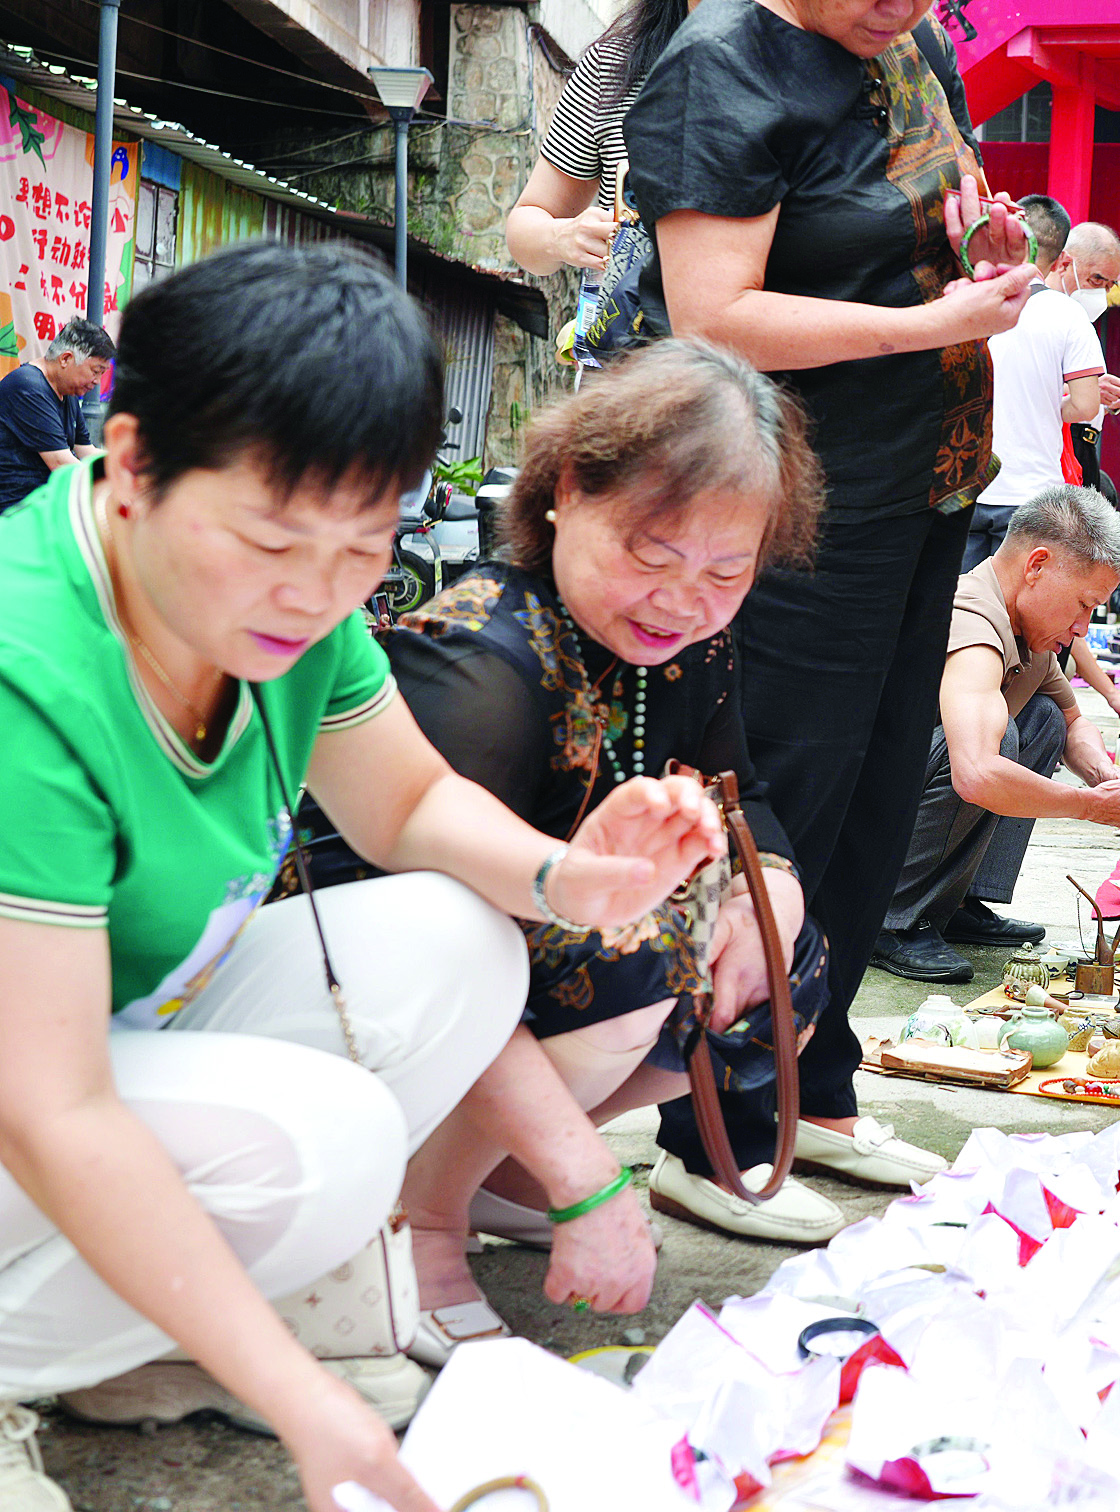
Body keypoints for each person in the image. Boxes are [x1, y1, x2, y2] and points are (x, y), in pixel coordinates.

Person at [0, 243, 725, 1512]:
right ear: (127, 465)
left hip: (108, 1028)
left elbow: (407, 803)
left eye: (360, 548)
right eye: (271, 540)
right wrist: (296, 1392)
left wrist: (571, 878)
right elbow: (48, 1109)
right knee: (323, 1151)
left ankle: (131, 1338)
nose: (313, 594)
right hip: (36, 1073)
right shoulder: (27, 672)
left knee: (459, 941)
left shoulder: (295, 605)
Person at [285, 341, 841, 1333]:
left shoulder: (694, 641)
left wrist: (778, 899)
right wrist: (590, 1183)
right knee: (636, 961)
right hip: (352, 985)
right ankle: (425, 1211)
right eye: (651, 555)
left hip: (525, 949)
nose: (683, 599)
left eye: (727, 569)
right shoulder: (482, 660)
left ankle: (492, 1169)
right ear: (569, 491)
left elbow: (742, 790)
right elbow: (427, 936)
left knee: (771, 960)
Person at [624, 0, 1035, 1208]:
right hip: (793, 503)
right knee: (787, 797)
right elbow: (714, 314)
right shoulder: (722, 71)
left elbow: (925, 219)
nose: (901, 7)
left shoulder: (915, 46)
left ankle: (822, 1079)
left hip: (926, 481)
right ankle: (718, 1129)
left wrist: (983, 244)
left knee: (870, 797)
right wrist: (927, 325)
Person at [873, 487, 1120, 981]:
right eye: (1083, 604)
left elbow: (1073, 721)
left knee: (1043, 719)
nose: (1083, 627)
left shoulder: (1026, 627)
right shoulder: (972, 618)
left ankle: (960, 901)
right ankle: (892, 919)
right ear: (1037, 565)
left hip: (908, 798)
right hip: (866, 817)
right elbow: (977, 774)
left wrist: (1106, 776)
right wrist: (1089, 806)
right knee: (997, 741)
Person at [962, 215, 1120, 569]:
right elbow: (1085, 406)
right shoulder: (1068, 317)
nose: (1101, 293)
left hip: (967, 488)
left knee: (959, 608)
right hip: (1030, 496)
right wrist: (1052, 405)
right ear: (1063, 261)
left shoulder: (965, 299)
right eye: (1097, 279)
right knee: (1015, 615)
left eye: (1110, 285)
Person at [504, 0, 692, 282]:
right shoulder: (613, 66)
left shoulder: (777, 66)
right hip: (623, 318)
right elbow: (525, 227)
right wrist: (563, 237)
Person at [0, 318, 114, 513]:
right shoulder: (27, 387)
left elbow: (86, 451)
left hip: (43, 504)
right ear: (65, 359)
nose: (97, 381)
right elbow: (62, 464)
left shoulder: (66, 391)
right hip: (15, 510)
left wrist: (126, 462)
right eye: (96, 371)